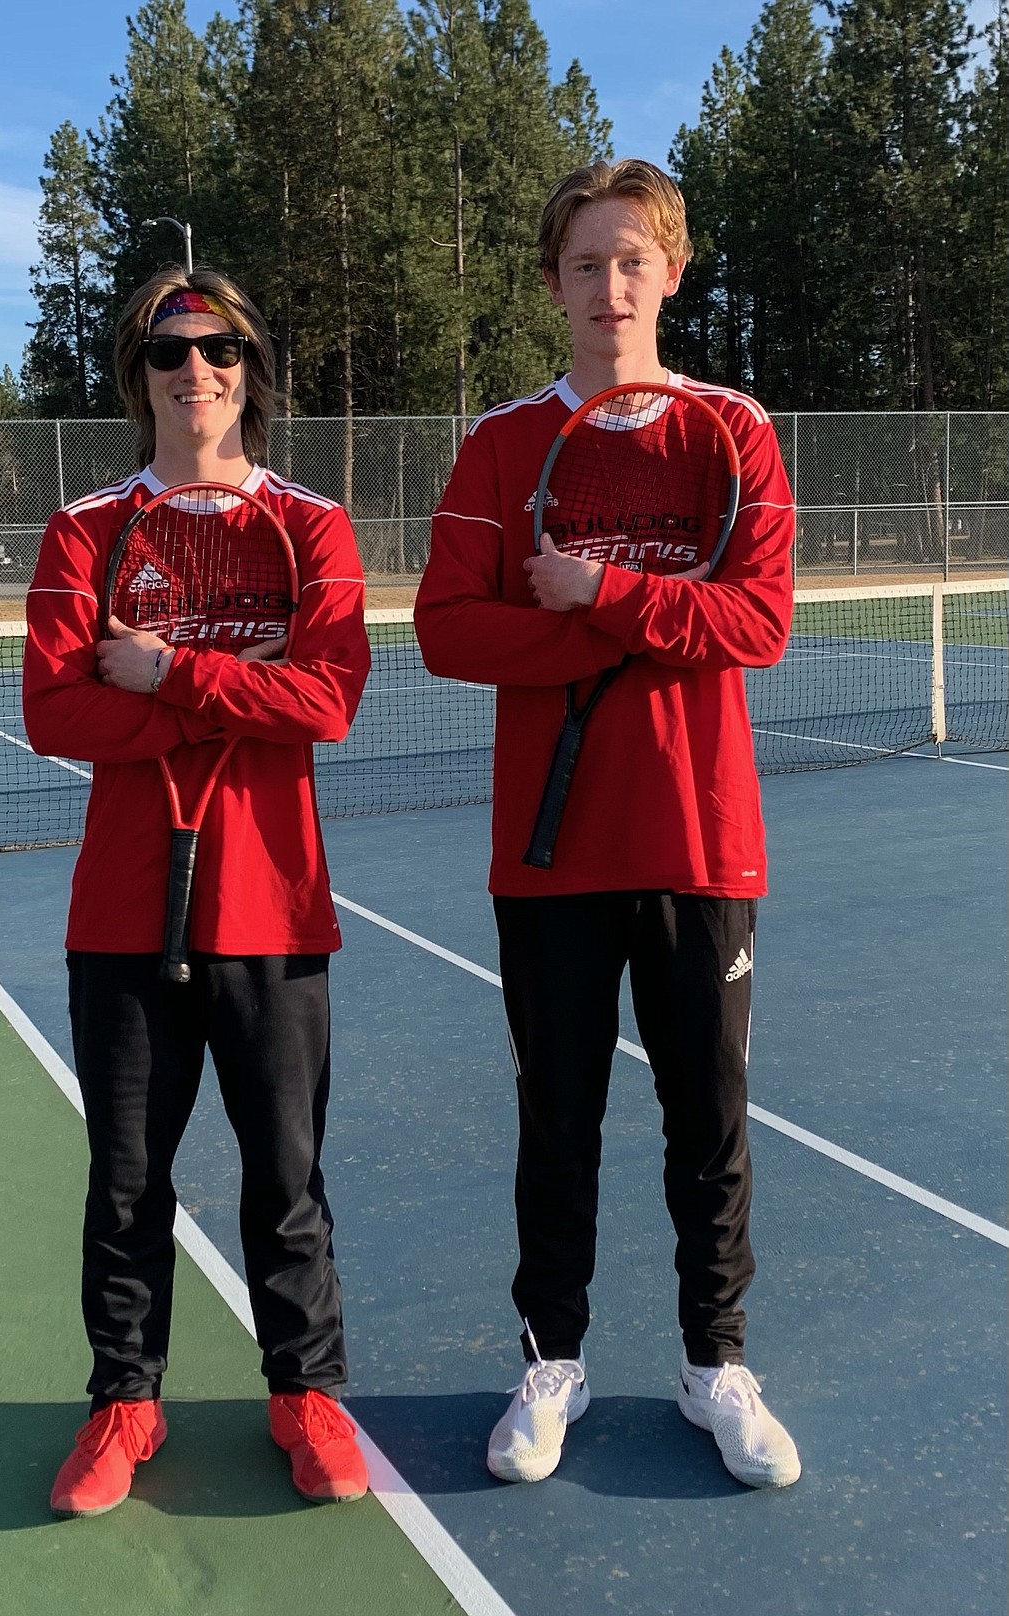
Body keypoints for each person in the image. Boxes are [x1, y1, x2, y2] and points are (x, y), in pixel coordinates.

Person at [414, 159, 801, 1490]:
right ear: (552, 283)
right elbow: (444, 630)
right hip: (550, 853)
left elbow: (756, 623)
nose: (609, 285)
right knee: (557, 1121)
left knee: (710, 1121)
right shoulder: (502, 441)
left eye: (632, 259)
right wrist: (598, 619)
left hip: (701, 842)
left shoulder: (732, 432)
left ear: (671, 271)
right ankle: (552, 1361)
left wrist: (597, 595)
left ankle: (715, 1365)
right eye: (585, 263)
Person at [22, 266, 371, 1515]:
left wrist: (163, 671)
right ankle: (125, 1400)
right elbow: (53, 707)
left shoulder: (312, 527)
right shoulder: (84, 531)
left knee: (287, 1174)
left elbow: (327, 699)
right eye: (171, 354)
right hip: (121, 912)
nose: (196, 372)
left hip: (274, 908)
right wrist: (236, 676)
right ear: (141, 377)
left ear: (249, 368)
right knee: (126, 1179)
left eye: (219, 350)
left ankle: (306, 1392)